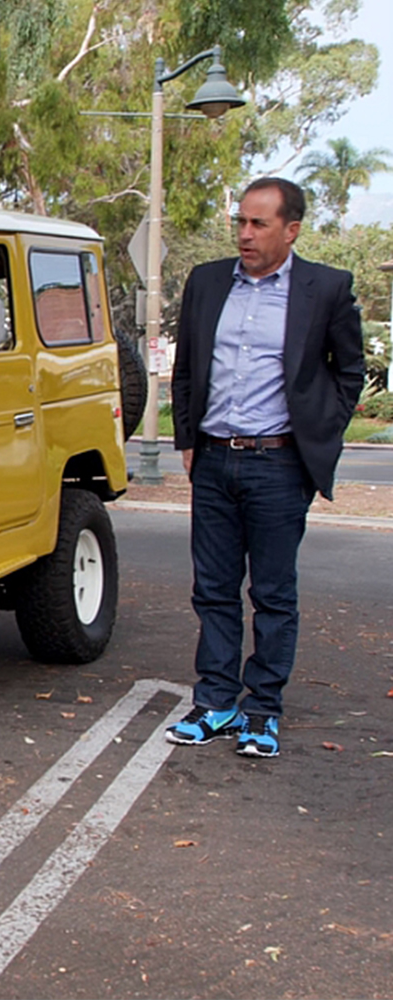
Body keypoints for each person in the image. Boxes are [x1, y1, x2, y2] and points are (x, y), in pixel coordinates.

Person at [166, 176, 364, 758]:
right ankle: (217, 700)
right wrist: (187, 439)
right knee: (214, 590)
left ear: (291, 230)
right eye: (241, 223)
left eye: (259, 224)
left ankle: (262, 710)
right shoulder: (206, 283)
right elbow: (186, 369)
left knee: (273, 594)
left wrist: (320, 433)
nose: (245, 234)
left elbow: (348, 372)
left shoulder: (325, 288)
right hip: (214, 460)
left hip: (279, 465)